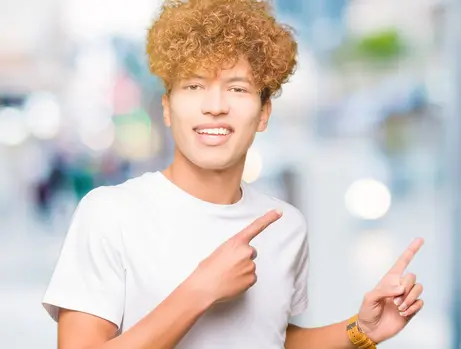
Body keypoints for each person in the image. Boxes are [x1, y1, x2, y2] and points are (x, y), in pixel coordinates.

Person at [41, 0, 425, 348]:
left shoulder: (286, 226)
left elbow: (270, 336)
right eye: (194, 86)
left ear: (263, 113)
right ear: (167, 109)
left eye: (237, 88)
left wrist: (362, 331)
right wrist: (198, 292)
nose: (214, 106)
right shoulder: (109, 214)